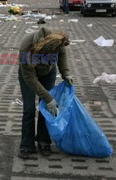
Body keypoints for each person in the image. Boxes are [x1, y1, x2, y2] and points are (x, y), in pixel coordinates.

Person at [18, 27, 73, 159]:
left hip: (48, 74)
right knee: (29, 109)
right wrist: (49, 98)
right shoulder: (26, 46)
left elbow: (62, 56)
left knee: (46, 109)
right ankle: (26, 145)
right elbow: (30, 78)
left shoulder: (56, 41)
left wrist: (66, 73)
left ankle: (43, 141)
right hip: (29, 76)